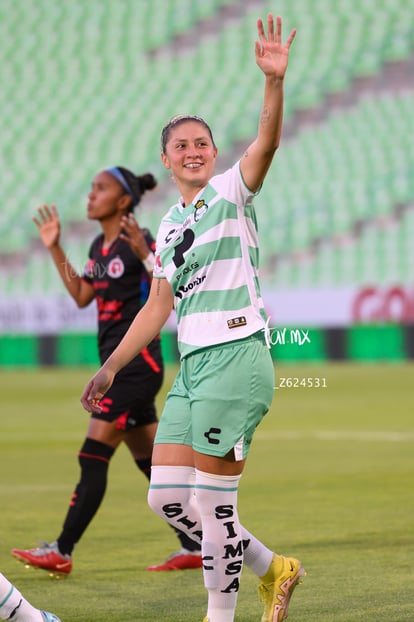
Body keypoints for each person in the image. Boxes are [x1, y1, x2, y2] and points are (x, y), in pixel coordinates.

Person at [80, 13, 303, 622]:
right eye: (182, 146)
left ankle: (219, 618)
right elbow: (157, 306)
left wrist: (273, 83)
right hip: (193, 367)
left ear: (212, 152)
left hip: (237, 357)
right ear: (167, 159)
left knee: (214, 504)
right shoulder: (172, 228)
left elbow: (268, 142)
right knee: (168, 498)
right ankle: (273, 568)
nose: (194, 151)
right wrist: (110, 368)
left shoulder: (233, 190)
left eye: (202, 142)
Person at [11, 166, 201, 577]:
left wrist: (147, 255)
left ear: (122, 201)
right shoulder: (100, 245)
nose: (91, 195)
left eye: (100, 189)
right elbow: (83, 293)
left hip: (136, 365)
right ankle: (196, 543)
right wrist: (55, 248)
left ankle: (62, 549)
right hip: (121, 368)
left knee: (92, 454)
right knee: (149, 462)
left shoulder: (141, 240)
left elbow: (166, 286)